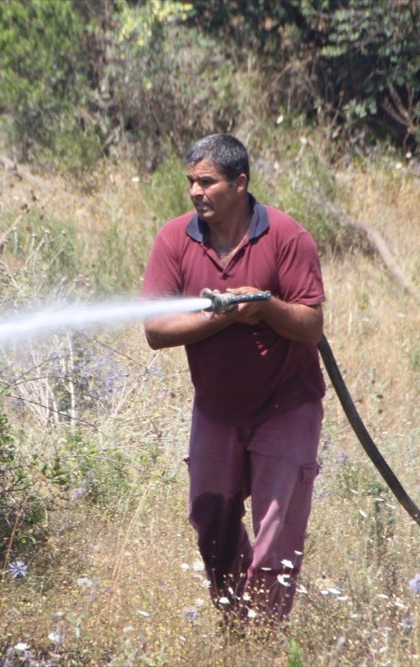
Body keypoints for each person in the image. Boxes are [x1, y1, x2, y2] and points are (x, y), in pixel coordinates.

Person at [140, 134, 326, 627]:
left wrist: (263, 306)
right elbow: (156, 330)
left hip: (287, 406)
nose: (197, 193)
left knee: (273, 537)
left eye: (208, 182)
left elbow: (311, 325)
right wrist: (226, 316)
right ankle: (234, 623)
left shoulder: (288, 237)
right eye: (191, 183)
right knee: (212, 525)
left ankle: (264, 640)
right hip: (217, 410)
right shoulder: (175, 239)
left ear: (239, 183)